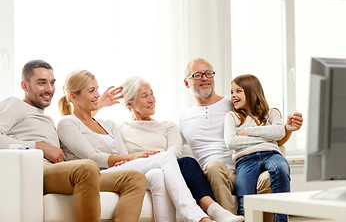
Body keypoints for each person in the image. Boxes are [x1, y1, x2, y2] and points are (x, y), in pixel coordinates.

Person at [57, 70, 225, 222]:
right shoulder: (67, 123)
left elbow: (122, 155)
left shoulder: (108, 124)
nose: (97, 95)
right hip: (95, 175)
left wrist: (127, 159)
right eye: (91, 91)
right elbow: (91, 156)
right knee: (165, 156)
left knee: (157, 174)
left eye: (97, 89)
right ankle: (194, 214)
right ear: (74, 97)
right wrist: (132, 157)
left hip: (119, 171)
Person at [0, 60, 147, 222]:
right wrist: (40, 147)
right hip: (36, 171)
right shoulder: (15, 104)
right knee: (87, 166)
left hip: (60, 173)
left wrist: (98, 105)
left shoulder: (48, 119)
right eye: (41, 83)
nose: (49, 89)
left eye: (52, 83)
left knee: (134, 178)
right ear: (24, 85)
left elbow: (80, 126)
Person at [179, 58, 303, 220]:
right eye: (198, 75)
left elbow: (272, 138)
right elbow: (173, 151)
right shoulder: (183, 118)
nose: (205, 78)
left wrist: (287, 129)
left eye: (209, 73)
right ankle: (229, 218)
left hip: (248, 164)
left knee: (270, 176)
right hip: (216, 175)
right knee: (214, 166)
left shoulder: (233, 103)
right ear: (187, 83)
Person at [117, 76, 244, 222]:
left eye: (152, 93)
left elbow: (174, 151)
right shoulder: (121, 129)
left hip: (169, 171)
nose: (151, 99)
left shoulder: (167, 125)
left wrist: (163, 162)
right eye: (145, 96)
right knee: (161, 169)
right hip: (142, 173)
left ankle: (214, 210)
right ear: (130, 104)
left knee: (187, 162)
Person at [225, 74, 290, 221]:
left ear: (251, 91)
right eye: (231, 92)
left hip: (271, 154)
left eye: (238, 91)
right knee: (245, 203)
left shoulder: (271, 113)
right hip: (245, 160)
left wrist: (247, 132)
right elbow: (231, 142)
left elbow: (279, 132)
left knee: (281, 168)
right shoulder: (232, 116)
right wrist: (266, 136)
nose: (233, 95)